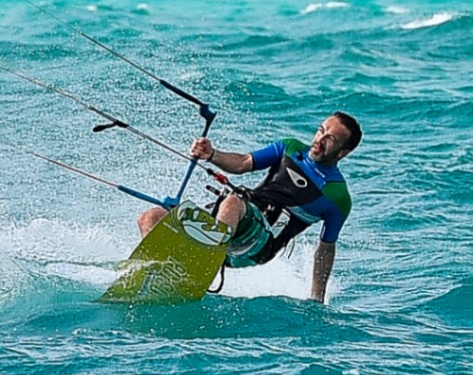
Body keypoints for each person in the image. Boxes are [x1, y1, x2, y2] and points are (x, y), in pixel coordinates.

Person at [136, 112, 361, 303]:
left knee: (234, 201)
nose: (319, 140)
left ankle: (200, 266)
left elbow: (325, 249)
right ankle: (152, 275)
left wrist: (316, 299)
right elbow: (243, 162)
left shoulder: (337, 196)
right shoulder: (290, 148)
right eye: (320, 131)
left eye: (330, 139)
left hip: (260, 243)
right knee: (151, 217)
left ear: (342, 152)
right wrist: (212, 155)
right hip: (231, 222)